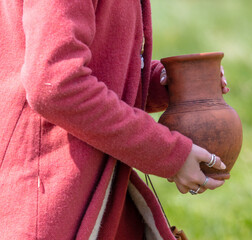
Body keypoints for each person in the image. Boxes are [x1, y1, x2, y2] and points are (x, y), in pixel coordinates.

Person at [0, 0, 229, 239]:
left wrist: (171, 83)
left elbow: (95, 74)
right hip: (47, 201)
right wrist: (167, 153)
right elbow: (57, 85)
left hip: (96, 191)